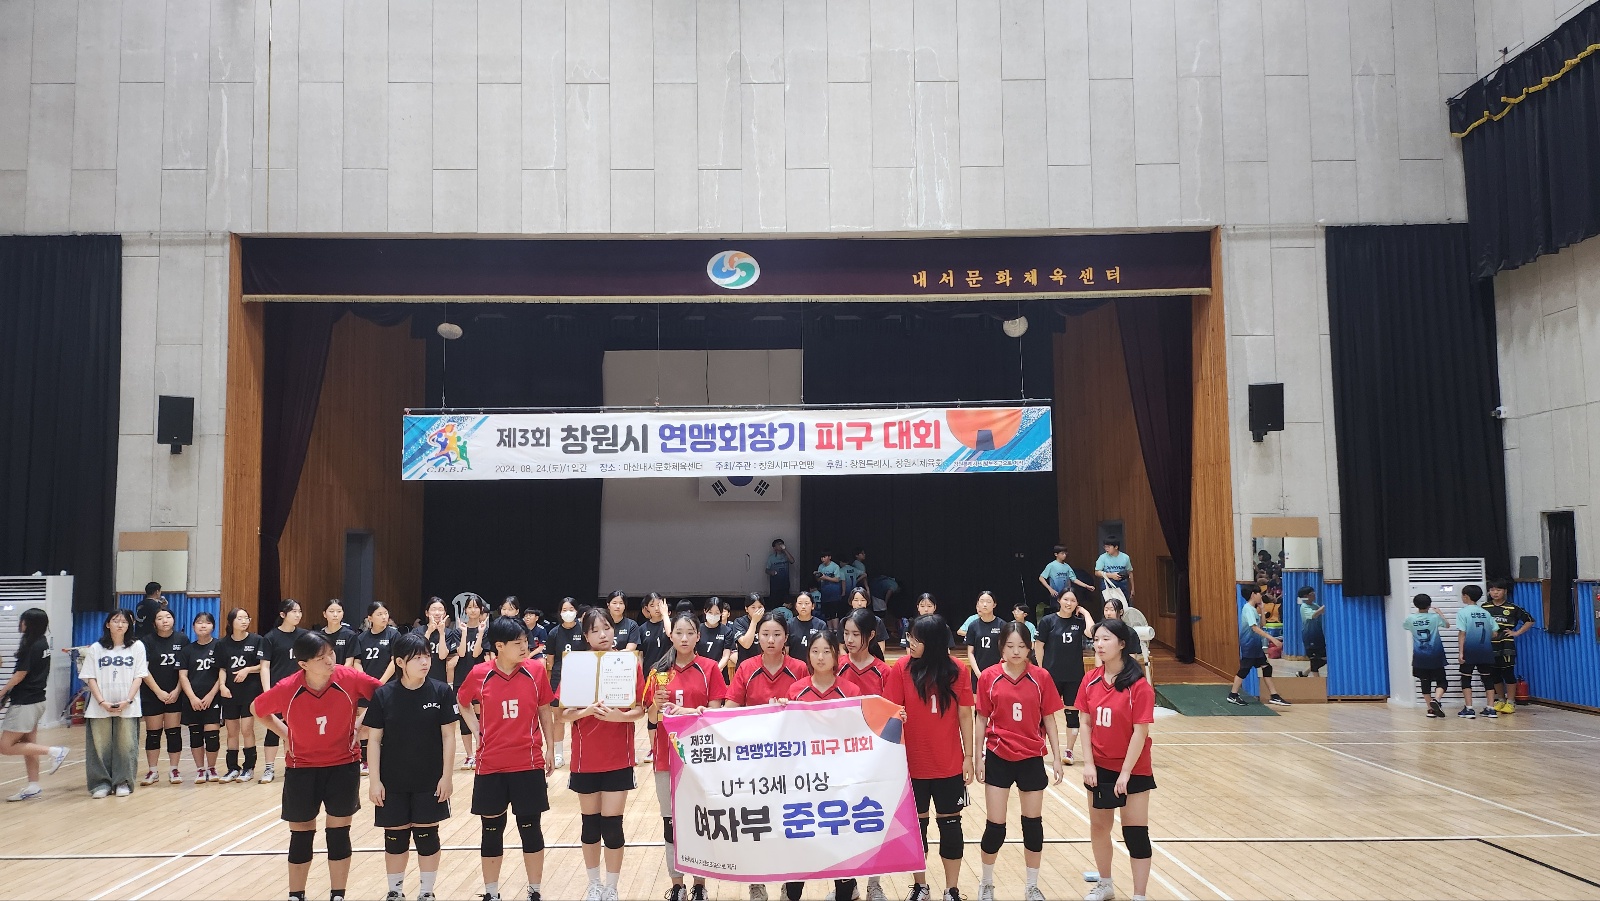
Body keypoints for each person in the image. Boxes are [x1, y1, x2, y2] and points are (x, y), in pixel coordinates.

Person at [253, 631, 383, 901]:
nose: (330, 661)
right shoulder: (288, 687)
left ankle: (338, 894)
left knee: (338, 834)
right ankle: (296, 895)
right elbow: (257, 709)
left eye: (331, 654)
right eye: (321, 658)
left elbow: (384, 696)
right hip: (302, 768)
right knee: (301, 836)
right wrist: (286, 734)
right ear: (303, 664)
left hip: (343, 765)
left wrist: (361, 726)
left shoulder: (349, 678)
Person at [458, 616, 559, 901]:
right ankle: (491, 893)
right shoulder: (479, 673)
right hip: (490, 764)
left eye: (525, 641)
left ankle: (535, 891)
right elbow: (462, 701)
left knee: (531, 828)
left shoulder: (535, 670)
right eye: (518, 643)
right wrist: (477, 730)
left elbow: (544, 710)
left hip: (528, 763)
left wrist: (551, 748)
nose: (525, 647)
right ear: (499, 646)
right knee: (491, 831)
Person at [883, 615, 973, 901]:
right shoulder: (901, 668)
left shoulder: (958, 670)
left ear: (932, 642)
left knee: (951, 827)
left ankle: (951, 889)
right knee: (916, 829)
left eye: (915, 639)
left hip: (948, 764)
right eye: (909, 637)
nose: (909, 642)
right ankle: (920, 886)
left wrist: (969, 756)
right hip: (912, 765)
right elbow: (890, 710)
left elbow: (965, 715)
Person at [973, 623, 1065, 901]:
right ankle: (986, 883)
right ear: (1001, 647)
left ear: (1029, 648)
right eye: (1010, 646)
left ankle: (1032, 886)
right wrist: (977, 756)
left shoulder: (1041, 677)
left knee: (1032, 825)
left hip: (1031, 757)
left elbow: (1049, 718)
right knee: (995, 827)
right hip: (998, 756)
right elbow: (981, 718)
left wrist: (1057, 758)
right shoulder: (988, 677)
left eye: (1021, 647)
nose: (1016, 652)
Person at [560, 609, 647, 901]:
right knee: (590, 825)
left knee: (612, 826)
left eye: (607, 628)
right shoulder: (576, 665)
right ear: (586, 636)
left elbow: (640, 709)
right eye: (595, 630)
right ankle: (593, 884)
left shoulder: (628, 664)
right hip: (585, 760)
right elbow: (562, 714)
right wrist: (586, 711)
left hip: (618, 758)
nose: (602, 634)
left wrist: (618, 717)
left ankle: (612, 887)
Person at [366, 632, 458, 901]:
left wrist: (447, 777)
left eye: (427, 656)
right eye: (417, 658)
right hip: (392, 781)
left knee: (427, 836)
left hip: (429, 780)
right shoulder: (384, 695)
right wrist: (374, 781)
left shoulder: (441, 691)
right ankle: (395, 891)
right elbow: (374, 740)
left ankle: (426, 892)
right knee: (395, 838)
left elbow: (449, 736)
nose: (425, 662)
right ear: (400, 662)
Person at [647, 611, 728, 901]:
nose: (684, 638)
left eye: (689, 633)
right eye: (678, 633)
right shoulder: (658, 671)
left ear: (698, 637)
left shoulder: (709, 668)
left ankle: (700, 885)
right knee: (670, 823)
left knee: (700, 820)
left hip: (700, 757)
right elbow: (652, 719)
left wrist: (689, 712)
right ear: (671, 636)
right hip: (665, 757)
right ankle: (677, 884)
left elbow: (715, 714)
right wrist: (656, 705)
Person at [778, 631, 862, 901]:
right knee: (801, 840)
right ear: (808, 655)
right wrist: (780, 712)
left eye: (827, 651)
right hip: (804, 781)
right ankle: (791, 893)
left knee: (840, 839)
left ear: (836, 655)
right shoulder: (795, 691)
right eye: (815, 651)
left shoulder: (850, 691)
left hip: (839, 782)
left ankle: (845, 892)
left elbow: (859, 733)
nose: (821, 657)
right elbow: (786, 734)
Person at [1079, 619, 1158, 901]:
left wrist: (1125, 772)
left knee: (1135, 832)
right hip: (1100, 768)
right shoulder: (1090, 680)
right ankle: (1105, 884)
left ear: (1122, 643)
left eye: (1106, 639)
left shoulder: (1139, 686)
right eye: (1096, 640)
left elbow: (1140, 731)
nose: (1099, 645)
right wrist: (1089, 763)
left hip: (1134, 769)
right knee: (1100, 827)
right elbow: (1085, 722)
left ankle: (1139, 895)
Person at [0, 608, 70, 801]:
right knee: (28, 744)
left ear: (29, 623)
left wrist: (2, 692)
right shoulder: (42, 642)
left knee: (5, 746)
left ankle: (55, 751)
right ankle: (33, 785)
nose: (20, 623)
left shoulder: (32, 646)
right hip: (37, 701)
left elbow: (20, 675)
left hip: (25, 703)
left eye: (23, 620)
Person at [80, 610, 147, 798]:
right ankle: (100, 783)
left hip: (128, 705)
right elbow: (90, 677)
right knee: (100, 745)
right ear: (108, 624)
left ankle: (123, 781)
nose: (120, 625)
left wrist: (128, 700)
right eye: (116, 621)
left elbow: (139, 676)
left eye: (124, 622)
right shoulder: (96, 648)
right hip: (99, 706)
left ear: (129, 625)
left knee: (126, 745)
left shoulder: (137, 647)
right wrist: (101, 701)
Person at [1036, 591, 1095, 765]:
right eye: (1066, 599)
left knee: (1072, 714)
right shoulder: (1048, 621)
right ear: (1059, 600)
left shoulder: (1079, 622)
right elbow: (1039, 646)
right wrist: (1041, 671)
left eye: (1073, 600)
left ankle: (1069, 751)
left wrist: (1085, 613)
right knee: (1042, 713)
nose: (1069, 603)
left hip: (1074, 676)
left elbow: (1091, 633)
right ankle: (1038, 747)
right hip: (1051, 675)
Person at [138, 607, 190, 786]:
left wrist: (177, 690)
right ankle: (152, 771)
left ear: (173, 620)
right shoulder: (146, 641)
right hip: (152, 694)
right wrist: (158, 692)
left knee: (173, 732)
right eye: (160, 618)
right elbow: (143, 670)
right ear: (154, 622)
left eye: (168, 617)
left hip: (175, 694)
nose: (165, 620)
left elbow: (185, 669)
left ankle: (174, 769)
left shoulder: (182, 639)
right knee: (153, 734)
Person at [260, 598, 309, 785]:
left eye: (299, 611)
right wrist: (268, 693)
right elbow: (265, 666)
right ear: (283, 614)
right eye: (293, 611)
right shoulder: (270, 637)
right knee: (273, 730)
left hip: (301, 691)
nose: (298, 615)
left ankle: (294, 765)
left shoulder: (305, 636)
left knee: (297, 731)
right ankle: (269, 767)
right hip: (279, 691)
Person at [216, 606, 265, 782]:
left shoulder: (257, 640)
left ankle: (249, 767)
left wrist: (248, 670)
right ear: (231, 622)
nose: (244, 621)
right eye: (240, 618)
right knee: (231, 731)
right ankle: (232, 768)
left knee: (247, 729)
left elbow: (263, 665)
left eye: (246, 618)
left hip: (250, 691)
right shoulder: (222, 644)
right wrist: (222, 686)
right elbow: (222, 668)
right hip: (230, 692)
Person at [352, 601, 402, 774]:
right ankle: (365, 760)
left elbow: (395, 661)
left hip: (388, 687)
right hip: (365, 688)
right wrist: (366, 681)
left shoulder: (393, 635)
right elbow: (357, 662)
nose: (384, 617)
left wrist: (380, 683)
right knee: (366, 724)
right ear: (370, 618)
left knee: (389, 723)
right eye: (379, 614)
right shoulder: (361, 638)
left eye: (386, 613)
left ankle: (390, 759)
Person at [177, 611, 223, 783]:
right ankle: (200, 770)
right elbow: (183, 676)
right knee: (195, 735)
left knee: (212, 737)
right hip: (192, 699)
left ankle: (211, 768)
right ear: (193, 626)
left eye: (207, 622)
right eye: (199, 622)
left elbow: (222, 673)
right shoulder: (187, 650)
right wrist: (192, 697)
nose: (203, 625)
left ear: (213, 626)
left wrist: (211, 695)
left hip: (213, 698)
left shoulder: (219, 646)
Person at [728, 613, 809, 708]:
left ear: (786, 638)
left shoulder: (800, 668)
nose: (771, 640)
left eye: (777, 634)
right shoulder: (746, 667)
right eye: (765, 634)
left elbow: (808, 707)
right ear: (758, 636)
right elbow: (730, 707)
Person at [1227, 586, 1290, 707]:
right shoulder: (1248, 609)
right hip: (1249, 645)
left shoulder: (1253, 609)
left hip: (1256, 646)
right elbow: (1254, 628)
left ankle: (1274, 695)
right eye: (1259, 593)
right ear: (1253, 594)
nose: (1261, 596)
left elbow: (1262, 625)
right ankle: (1233, 695)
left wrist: (1262, 609)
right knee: (1244, 670)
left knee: (1267, 668)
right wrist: (1272, 639)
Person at [545, 598, 587, 769]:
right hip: (559, 678)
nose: (568, 613)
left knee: (580, 717)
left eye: (571, 609)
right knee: (559, 718)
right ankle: (558, 754)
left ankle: (581, 751)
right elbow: (550, 660)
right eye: (564, 609)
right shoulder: (554, 633)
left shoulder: (584, 630)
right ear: (560, 612)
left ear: (576, 611)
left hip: (581, 678)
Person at [1483, 578, 1533, 714]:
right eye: (1492, 590)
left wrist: (1516, 632)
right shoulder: (1484, 607)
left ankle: (1510, 702)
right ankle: (1500, 700)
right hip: (1489, 645)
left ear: (1505, 591)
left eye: (1498, 590)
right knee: (1494, 674)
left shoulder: (1512, 608)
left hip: (1506, 645)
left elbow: (1530, 620)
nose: (1495, 593)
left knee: (1508, 673)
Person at [1455, 584, 1501, 719]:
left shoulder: (1463, 612)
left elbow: (1462, 633)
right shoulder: (1486, 613)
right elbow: (1495, 633)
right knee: (1487, 678)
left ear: (1466, 596)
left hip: (1469, 650)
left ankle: (1469, 708)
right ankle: (1491, 708)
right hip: (1485, 650)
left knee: (1466, 678)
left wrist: (1461, 652)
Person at [1401, 594, 1449, 718]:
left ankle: (1430, 709)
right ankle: (1436, 699)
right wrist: (1440, 613)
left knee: (1424, 681)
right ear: (1429, 605)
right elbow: (1447, 625)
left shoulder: (1410, 618)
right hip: (1436, 655)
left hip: (1420, 656)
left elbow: (1405, 626)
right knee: (1442, 681)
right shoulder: (1435, 617)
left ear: (1415, 605)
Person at [457, 595, 491, 769]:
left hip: (479, 678)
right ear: (465, 610)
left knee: (480, 715)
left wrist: (480, 633)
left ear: (481, 610)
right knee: (463, 717)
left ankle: (480, 750)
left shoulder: (486, 631)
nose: (473, 610)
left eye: (476, 607)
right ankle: (469, 755)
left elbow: (477, 653)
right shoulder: (458, 630)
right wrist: (464, 633)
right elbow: (462, 653)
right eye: (469, 607)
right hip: (461, 676)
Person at [839, 609, 891, 697]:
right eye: (846, 633)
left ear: (871, 635)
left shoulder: (884, 672)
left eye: (856, 634)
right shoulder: (836, 667)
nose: (849, 640)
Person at [961, 591, 1007, 683]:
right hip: (978, 672)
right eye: (981, 601)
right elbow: (970, 652)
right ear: (978, 604)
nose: (985, 604)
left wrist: (997, 671)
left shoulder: (1002, 625)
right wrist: (978, 674)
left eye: (988, 601)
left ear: (994, 605)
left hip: (998, 673)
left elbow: (1006, 651)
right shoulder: (973, 626)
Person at [696, 597, 737, 674]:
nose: (713, 615)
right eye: (710, 612)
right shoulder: (697, 629)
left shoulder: (727, 631)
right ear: (705, 611)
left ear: (721, 613)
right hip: (699, 671)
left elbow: (726, 656)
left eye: (717, 613)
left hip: (719, 671)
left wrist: (716, 669)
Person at [785, 591, 830, 661]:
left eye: (807, 603)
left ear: (813, 606)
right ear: (796, 606)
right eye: (800, 603)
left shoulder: (821, 625)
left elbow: (825, 648)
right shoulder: (789, 624)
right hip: (795, 665)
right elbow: (786, 649)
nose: (803, 606)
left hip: (815, 664)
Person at [847, 588, 890, 660]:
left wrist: (876, 660)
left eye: (863, 600)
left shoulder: (877, 621)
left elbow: (881, 645)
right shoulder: (845, 621)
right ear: (851, 602)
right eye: (856, 600)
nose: (859, 603)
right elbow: (841, 646)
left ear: (867, 602)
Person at [1296, 587, 1326, 677]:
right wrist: (1325, 606)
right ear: (1306, 596)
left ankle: (1303, 673)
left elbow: (1322, 611)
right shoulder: (1304, 606)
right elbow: (1314, 615)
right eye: (1312, 593)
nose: (1314, 595)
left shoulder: (1314, 605)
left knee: (1324, 658)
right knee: (1314, 660)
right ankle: (1317, 681)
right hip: (1310, 637)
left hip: (1318, 636)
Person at [731, 593, 766, 666]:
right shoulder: (739, 622)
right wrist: (754, 621)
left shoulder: (768, 621)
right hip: (745, 666)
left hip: (764, 665)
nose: (757, 610)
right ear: (746, 609)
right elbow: (746, 644)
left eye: (760, 607)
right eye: (753, 607)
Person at [814, 551, 846, 622]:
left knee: (834, 614)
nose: (822, 559)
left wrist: (825, 577)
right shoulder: (821, 566)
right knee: (827, 615)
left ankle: (835, 628)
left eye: (824, 557)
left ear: (829, 557)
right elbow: (819, 580)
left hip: (834, 594)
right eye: (821, 557)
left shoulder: (835, 566)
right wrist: (817, 575)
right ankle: (829, 628)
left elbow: (837, 579)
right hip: (825, 593)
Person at [766, 538, 797, 603]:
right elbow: (766, 570)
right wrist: (771, 572)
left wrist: (785, 550)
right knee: (775, 601)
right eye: (778, 544)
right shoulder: (771, 558)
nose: (780, 545)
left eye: (781, 543)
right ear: (774, 548)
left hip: (785, 583)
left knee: (785, 601)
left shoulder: (786, 556)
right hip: (775, 584)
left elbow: (792, 561)